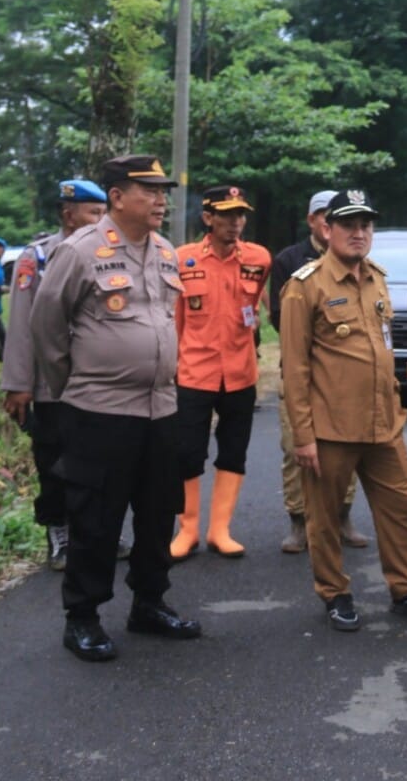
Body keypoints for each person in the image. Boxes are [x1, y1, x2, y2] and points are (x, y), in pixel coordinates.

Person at [31, 154, 201, 662]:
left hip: (160, 408)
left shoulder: (165, 251)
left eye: (163, 192)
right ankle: (82, 617)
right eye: (150, 191)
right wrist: (77, 386)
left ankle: (149, 603)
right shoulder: (80, 251)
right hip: (99, 412)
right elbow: (46, 327)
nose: (161, 200)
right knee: (96, 520)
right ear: (117, 197)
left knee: (158, 514)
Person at [279, 189, 407, 631]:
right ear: (327, 229)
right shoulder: (304, 286)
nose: (358, 233)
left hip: (383, 424)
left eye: (365, 225)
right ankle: (334, 593)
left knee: (401, 509)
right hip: (331, 428)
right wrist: (303, 436)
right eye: (348, 225)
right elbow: (295, 369)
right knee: (324, 519)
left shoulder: (376, 278)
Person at [1, 179, 108, 571]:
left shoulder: (110, 252)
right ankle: (58, 533)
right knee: (53, 463)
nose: (101, 221)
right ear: (69, 215)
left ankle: (93, 532)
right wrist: (18, 384)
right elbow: (21, 324)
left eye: (104, 213)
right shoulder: (39, 258)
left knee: (99, 461)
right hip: (52, 387)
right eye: (94, 213)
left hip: (99, 383)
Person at [168, 186, 272, 560]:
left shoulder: (258, 258)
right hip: (194, 373)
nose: (235, 222)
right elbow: (175, 320)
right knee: (186, 453)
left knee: (233, 451)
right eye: (227, 215)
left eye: (240, 214)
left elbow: (254, 308)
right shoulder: (183, 260)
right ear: (208, 218)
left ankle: (220, 530)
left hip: (240, 373)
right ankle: (188, 530)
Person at [270, 190, 367, 553]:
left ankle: (342, 516)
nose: (334, 223)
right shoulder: (289, 260)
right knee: (296, 446)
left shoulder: (358, 261)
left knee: (349, 447)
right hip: (302, 370)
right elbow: (281, 317)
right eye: (327, 215)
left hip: (345, 377)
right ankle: (299, 521)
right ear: (313, 221)